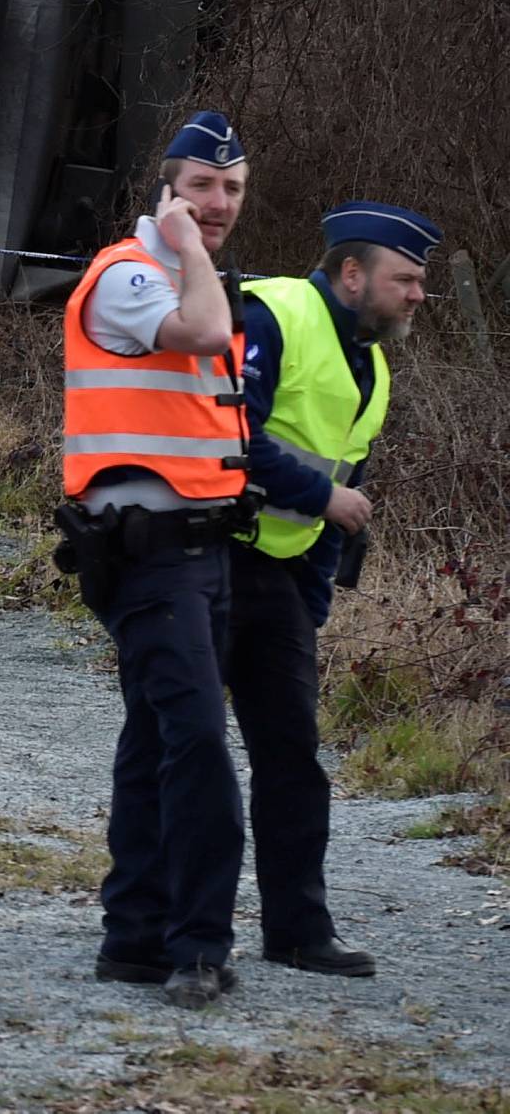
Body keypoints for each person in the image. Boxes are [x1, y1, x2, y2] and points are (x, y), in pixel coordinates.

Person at [59, 109, 256, 1009]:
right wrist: (183, 240)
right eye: (204, 186)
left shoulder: (190, 274)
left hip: (204, 549)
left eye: (234, 188)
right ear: (166, 187)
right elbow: (206, 335)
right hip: (147, 557)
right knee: (197, 744)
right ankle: (200, 943)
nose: (219, 204)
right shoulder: (134, 276)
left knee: (154, 739)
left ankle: (133, 935)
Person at [225, 201, 438, 979]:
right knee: (169, 744)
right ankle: (142, 921)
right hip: (205, 555)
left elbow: (345, 486)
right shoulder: (274, 312)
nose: (418, 293)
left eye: (421, 280)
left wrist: (310, 606)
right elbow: (230, 434)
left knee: (292, 756)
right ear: (353, 274)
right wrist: (322, 503)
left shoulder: (372, 365)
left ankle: (298, 929)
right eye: (405, 278)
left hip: (280, 575)